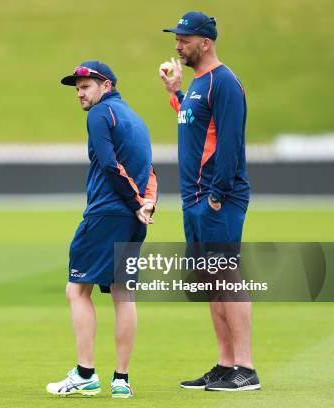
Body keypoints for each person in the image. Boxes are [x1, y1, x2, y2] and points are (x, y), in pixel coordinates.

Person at [158, 12, 260, 391]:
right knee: (210, 278)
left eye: (184, 38)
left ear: (206, 42)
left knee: (226, 275)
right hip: (195, 198)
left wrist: (217, 194)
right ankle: (225, 362)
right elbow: (196, 123)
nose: (177, 44)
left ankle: (245, 368)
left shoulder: (224, 82)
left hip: (218, 197)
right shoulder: (200, 83)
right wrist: (175, 94)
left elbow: (230, 142)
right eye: (177, 38)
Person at [46, 61, 157, 399]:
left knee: (76, 289)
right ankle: (121, 380)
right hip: (132, 218)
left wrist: (135, 200)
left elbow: (110, 165)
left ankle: (85, 374)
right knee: (123, 295)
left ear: (106, 85)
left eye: (86, 86)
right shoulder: (134, 118)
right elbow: (149, 169)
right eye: (78, 88)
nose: (80, 93)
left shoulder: (99, 115)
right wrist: (146, 202)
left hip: (106, 214)